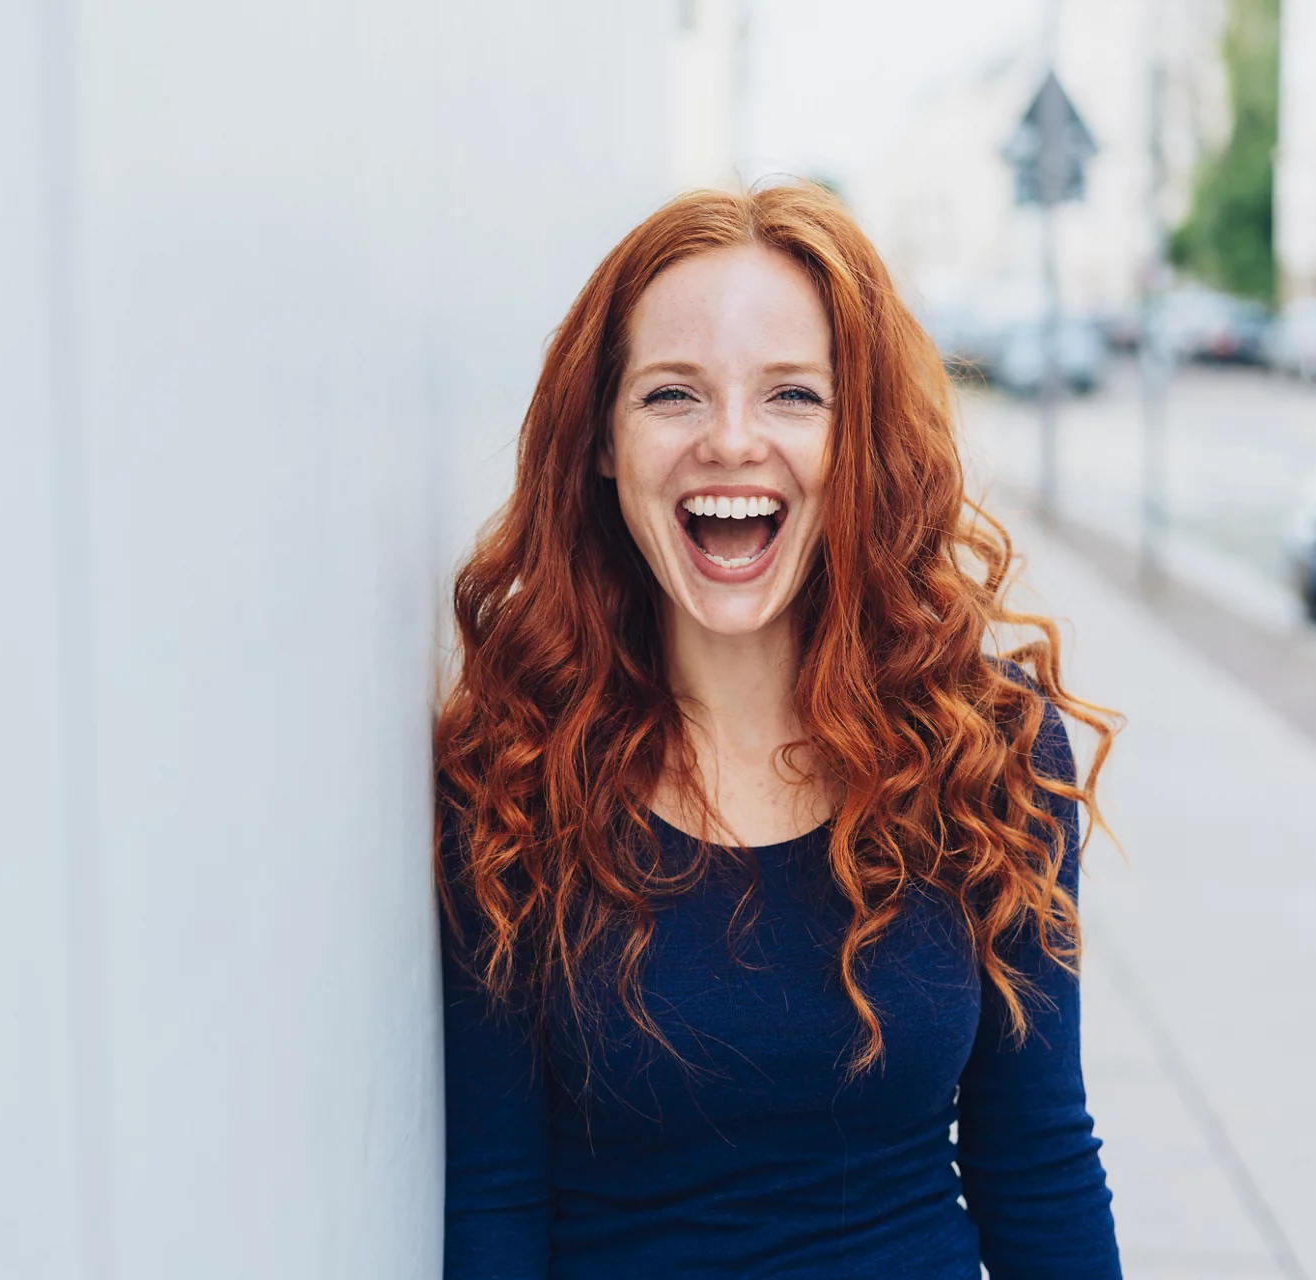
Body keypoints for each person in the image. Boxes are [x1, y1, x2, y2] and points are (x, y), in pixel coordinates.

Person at [434, 183, 1122, 1279]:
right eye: (673, 395)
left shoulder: (987, 748)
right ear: (603, 441)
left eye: (794, 395)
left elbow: (1035, 1159)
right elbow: (496, 1194)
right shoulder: (514, 771)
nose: (733, 441)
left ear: (859, 441)